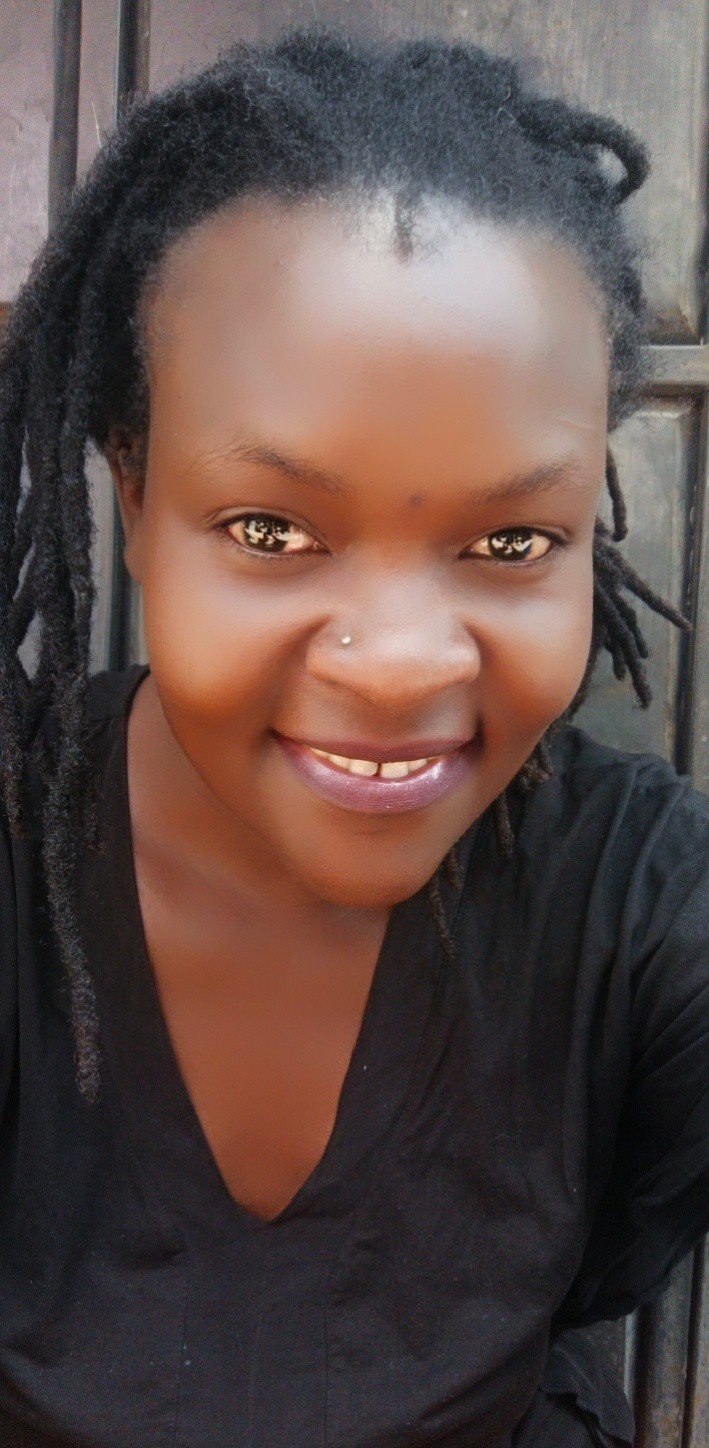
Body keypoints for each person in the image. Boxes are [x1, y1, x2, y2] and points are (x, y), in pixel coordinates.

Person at [0, 27, 706, 1448]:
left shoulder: (644, 913)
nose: (397, 665)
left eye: (513, 541)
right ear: (131, 489)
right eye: (271, 530)